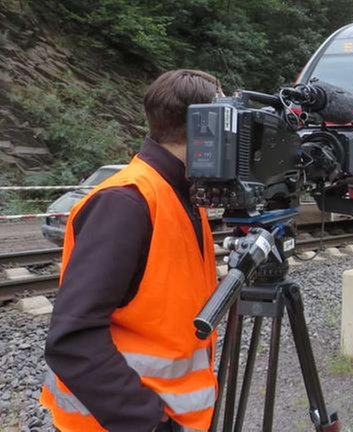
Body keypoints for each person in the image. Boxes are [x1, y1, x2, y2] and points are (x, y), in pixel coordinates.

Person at [40, 70, 224, 432]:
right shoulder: (127, 201)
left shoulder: (181, 195)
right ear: (205, 127)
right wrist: (148, 420)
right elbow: (72, 338)